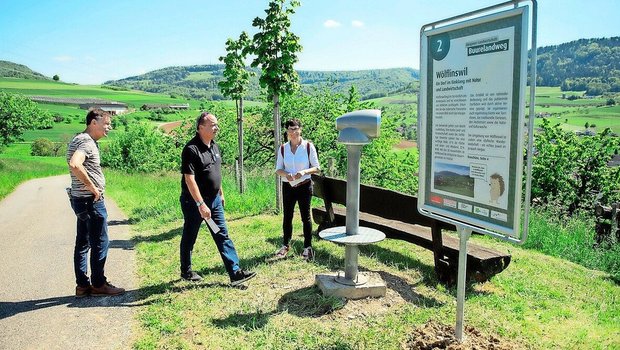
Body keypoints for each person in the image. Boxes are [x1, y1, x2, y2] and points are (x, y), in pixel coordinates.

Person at [179, 112, 256, 286]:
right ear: (200, 128)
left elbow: (215, 172)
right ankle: (186, 270)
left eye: (216, 124)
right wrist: (200, 204)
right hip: (194, 202)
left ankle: (235, 273)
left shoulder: (214, 146)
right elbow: (189, 179)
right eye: (212, 125)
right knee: (190, 236)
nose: (216, 128)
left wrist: (220, 192)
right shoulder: (191, 149)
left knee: (222, 234)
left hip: (214, 201)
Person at [67, 108, 125, 297]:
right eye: (106, 124)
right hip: (90, 200)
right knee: (100, 241)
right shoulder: (87, 142)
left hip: (79, 199)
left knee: (83, 242)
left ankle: (83, 286)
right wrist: (93, 188)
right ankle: (99, 284)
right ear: (94, 122)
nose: (109, 128)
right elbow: (75, 163)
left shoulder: (78, 139)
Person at [274, 119, 321, 260]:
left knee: (305, 217)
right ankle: (285, 245)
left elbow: (317, 168)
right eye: (289, 130)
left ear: (300, 129)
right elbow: (278, 169)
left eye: (295, 129)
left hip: (304, 186)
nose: (292, 133)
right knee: (287, 216)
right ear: (286, 132)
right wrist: (286, 174)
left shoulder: (308, 147)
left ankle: (307, 247)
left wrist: (304, 172)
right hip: (288, 186)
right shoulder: (283, 148)